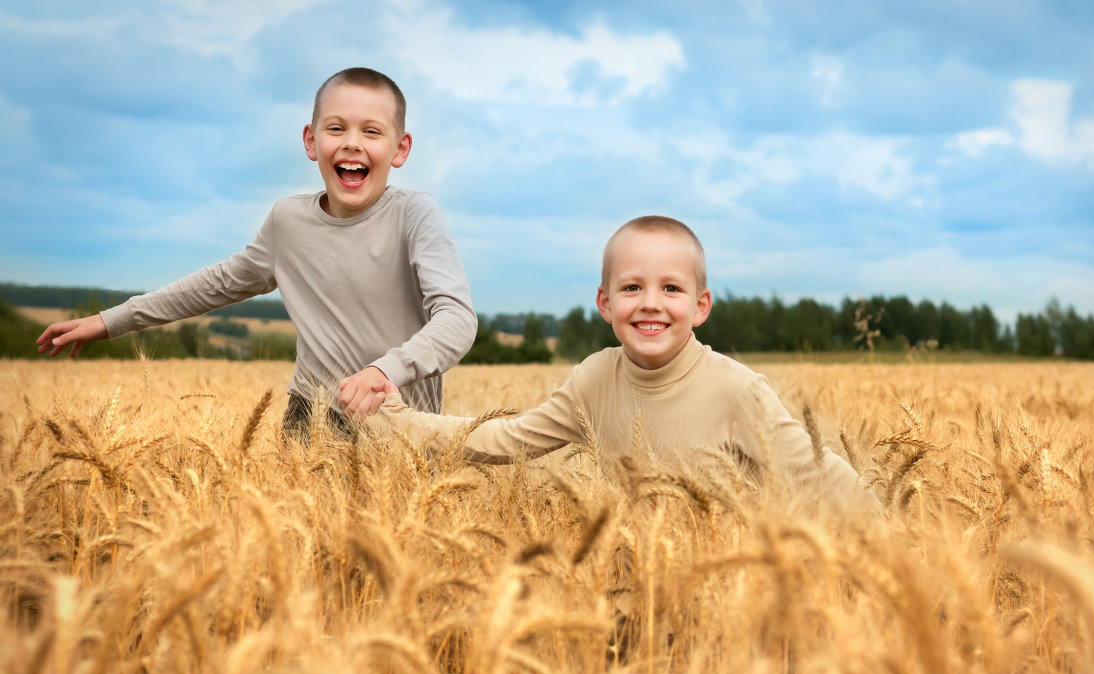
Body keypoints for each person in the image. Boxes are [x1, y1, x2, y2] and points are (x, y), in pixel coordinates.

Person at [36, 67, 477, 435]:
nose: (352, 143)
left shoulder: (415, 215)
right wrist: (108, 321)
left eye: (372, 131)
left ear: (400, 149)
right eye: (336, 128)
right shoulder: (288, 222)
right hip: (310, 419)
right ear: (310, 140)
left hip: (403, 422)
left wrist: (385, 372)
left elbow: (457, 321)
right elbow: (215, 285)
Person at [367, 215, 879, 511]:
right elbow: (507, 439)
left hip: (734, 593)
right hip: (642, 592)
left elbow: (815, 473)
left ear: (701, 307)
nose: (650, 303)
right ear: (605, 302)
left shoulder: (737, 391)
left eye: (671, 289)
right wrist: (397, 418)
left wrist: (903, 546)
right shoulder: (594, 379)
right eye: (632, 287)